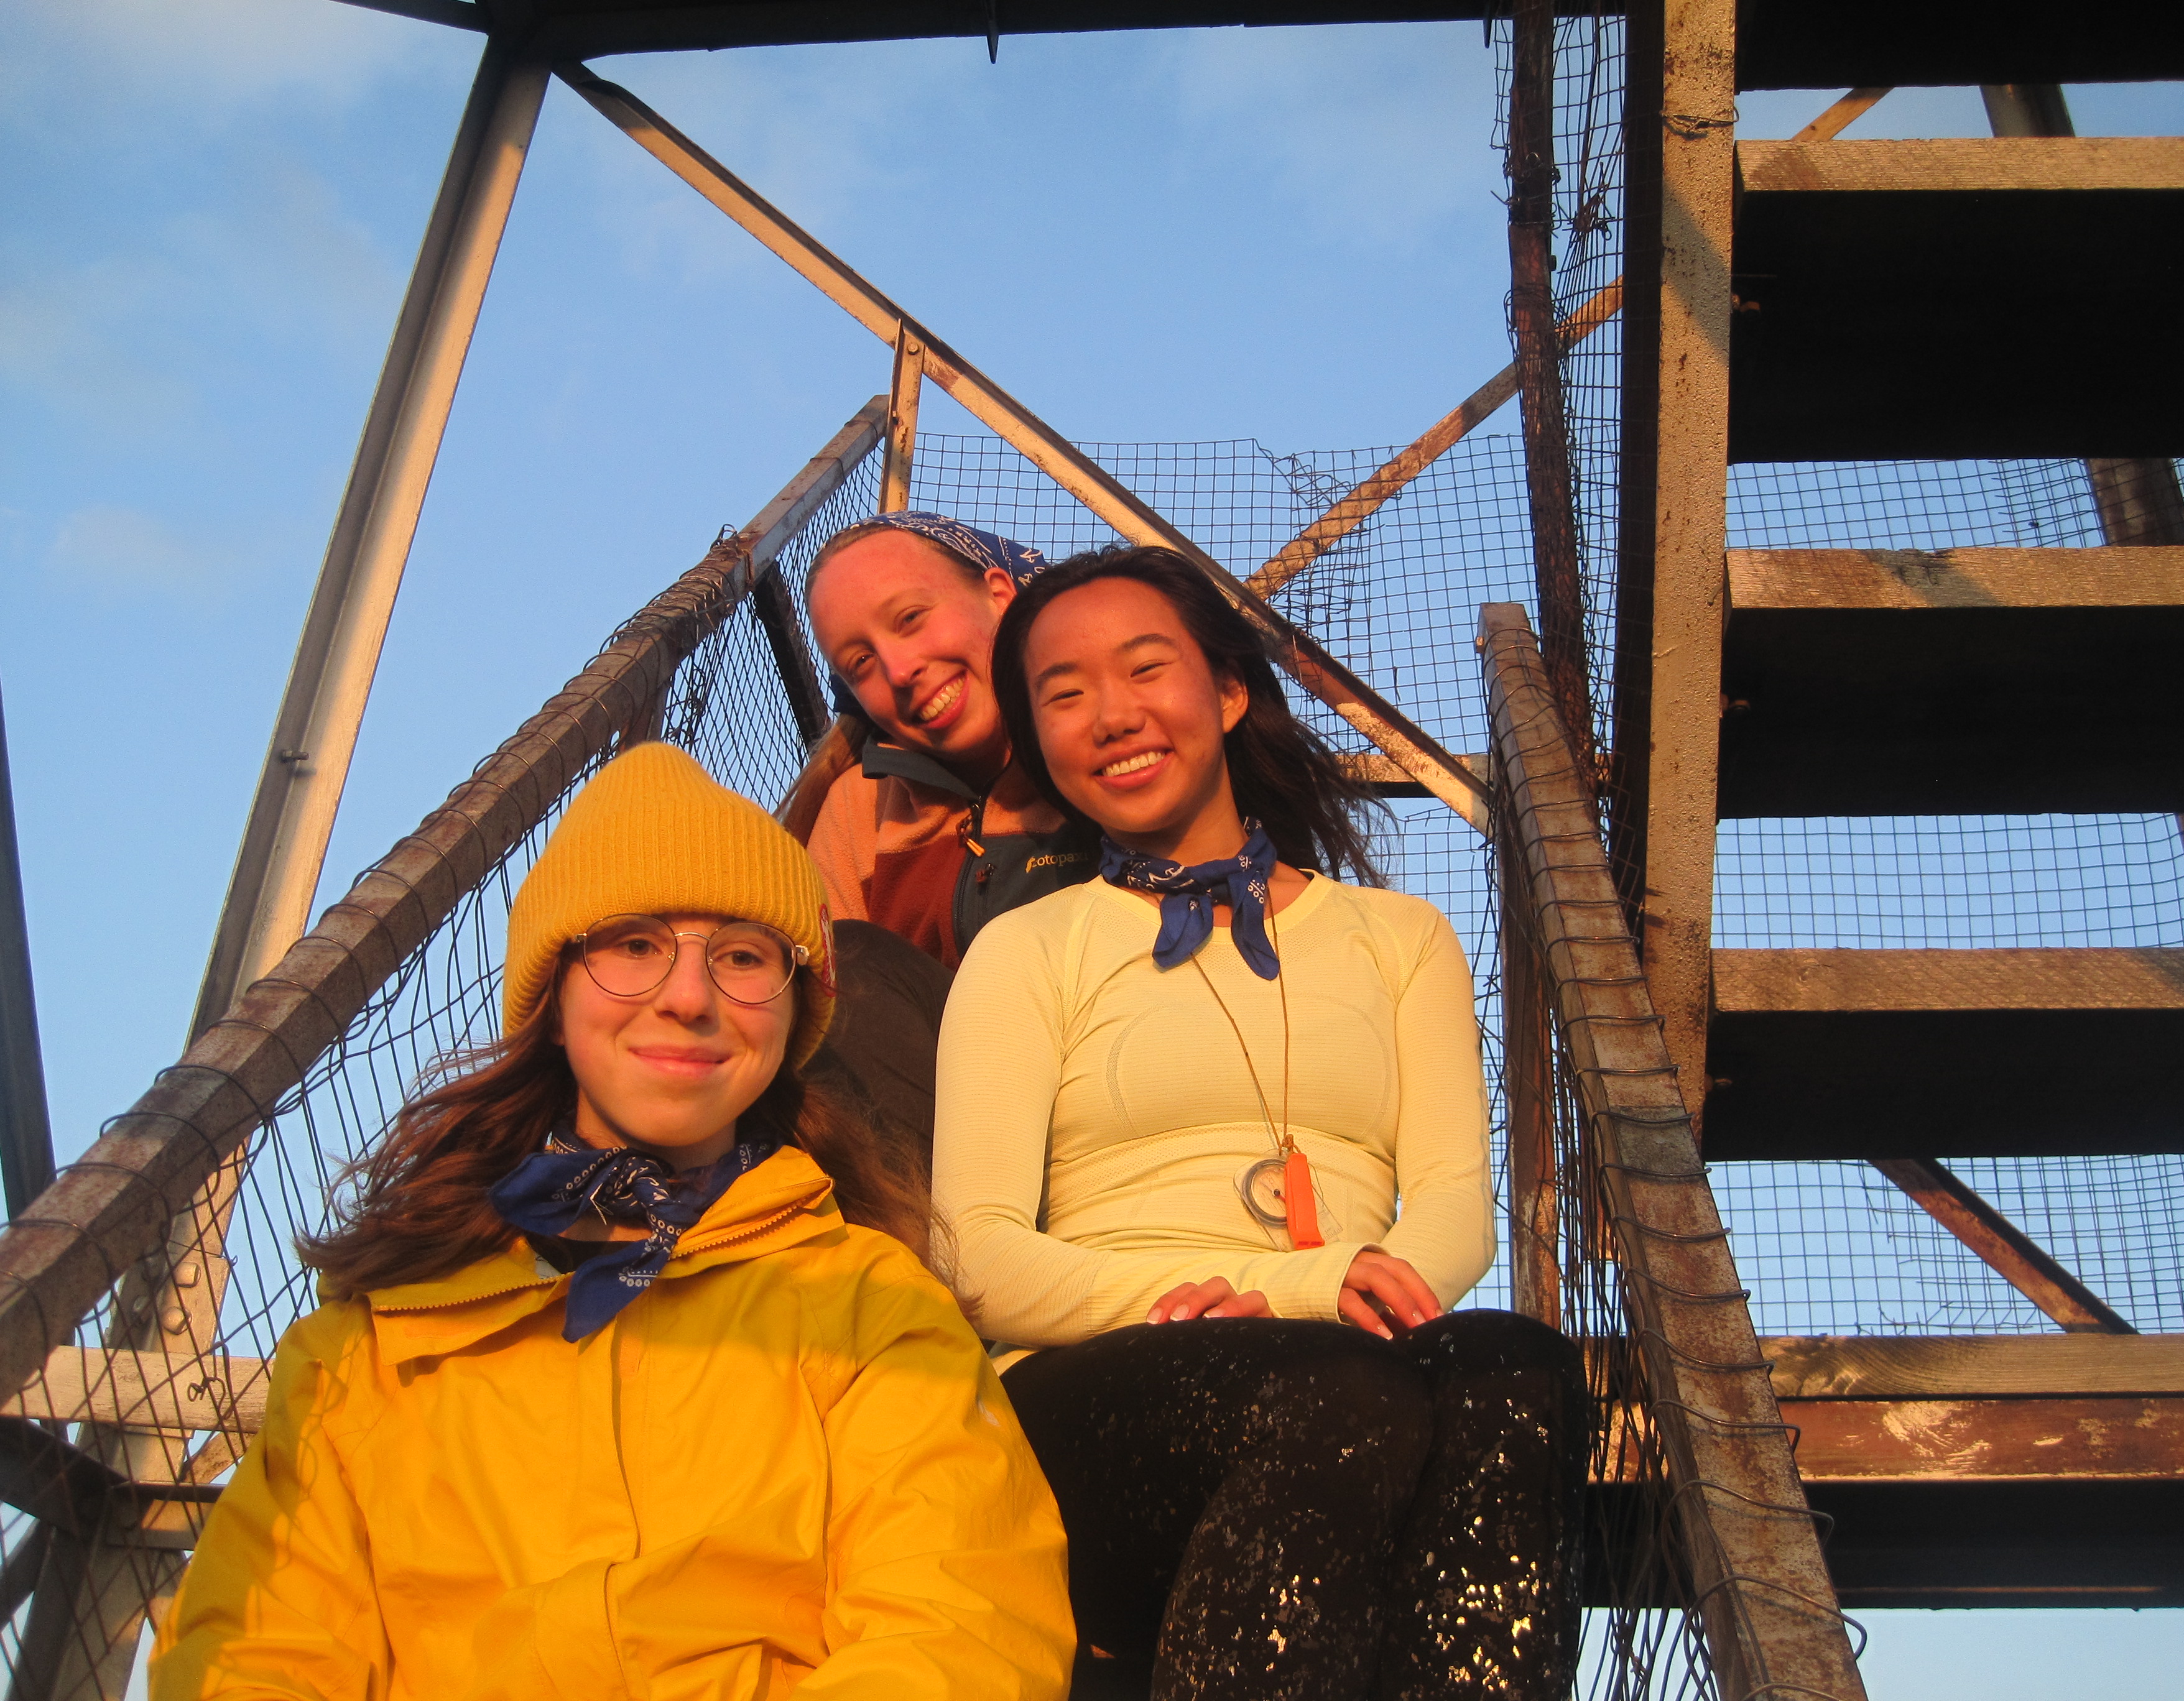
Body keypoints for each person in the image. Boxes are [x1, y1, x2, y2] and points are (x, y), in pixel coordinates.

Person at [152, 742, 1076, 1701]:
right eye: (634, 944)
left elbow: (961, 1627)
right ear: (554, 1001)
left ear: (795, 1009)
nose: (688, 997)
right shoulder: (367, 1352)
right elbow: (256, 1659)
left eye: (745, 956)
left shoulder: (868, 1306)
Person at [931, 547, 1586, 1700]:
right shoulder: (1028, 948)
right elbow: (974, 1253)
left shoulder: (1398, 937)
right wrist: (1277, 1290)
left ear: (1228, 693)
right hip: (1099, 1377)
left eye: (1145, 669)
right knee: (1340, 1392)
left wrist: (1348, 1295)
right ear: (1038, 743)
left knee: (1512, 1367)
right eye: (1063, 694)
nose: (1111, 715)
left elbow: (1450, 1205)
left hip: (1354, 1354)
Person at [789, 512, 1094, 970]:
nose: (898, 670)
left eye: (910, 618)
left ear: (999, 596)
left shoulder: (1109, 735)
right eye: (861, 663)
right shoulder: (858, 811)